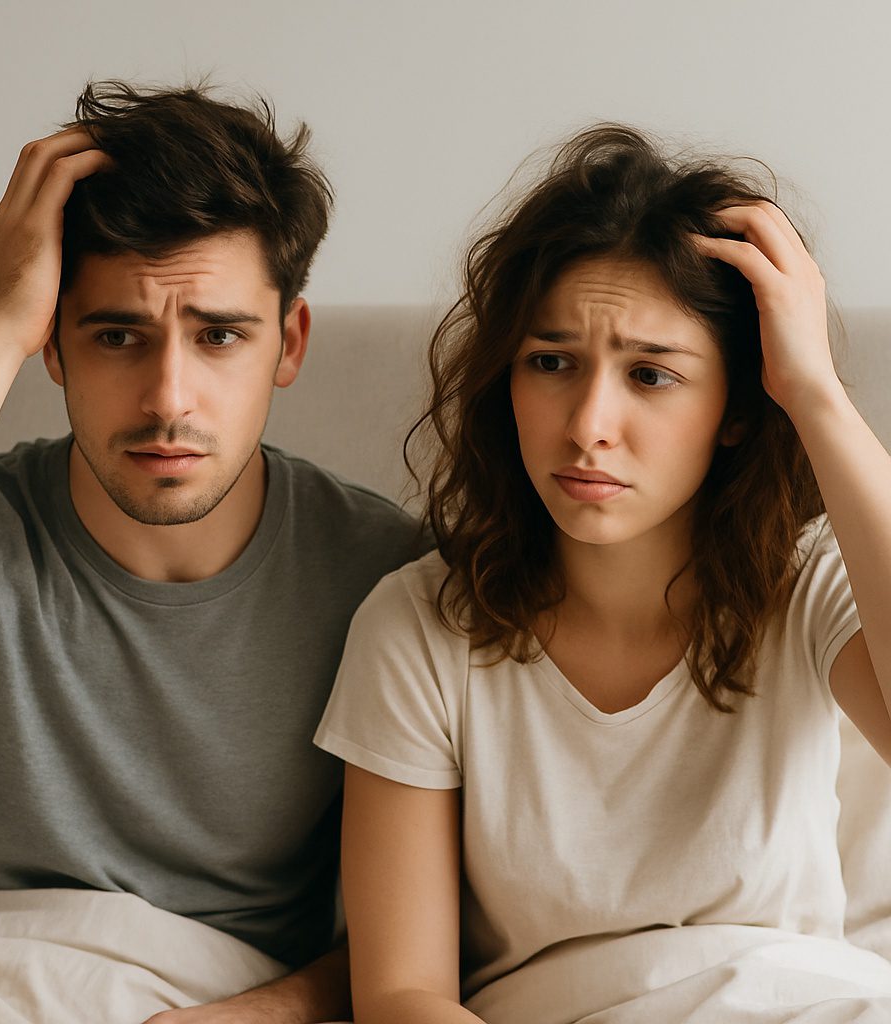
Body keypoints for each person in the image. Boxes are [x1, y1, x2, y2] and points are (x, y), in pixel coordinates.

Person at [0, 80, 424, 1023]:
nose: (170, 397)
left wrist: (271, 1013)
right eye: (118, 335)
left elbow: (437, 928)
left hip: (224, 991)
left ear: (288, 343)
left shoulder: (387, 574)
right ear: (54, 344)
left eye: (218, 337)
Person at [315, 124, 891, 1023]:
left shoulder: (809, 581)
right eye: (551, 364)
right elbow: (400, 992)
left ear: (738, 407)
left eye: (651, 375)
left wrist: (813, 389)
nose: (588, 423)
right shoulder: (418, 625)